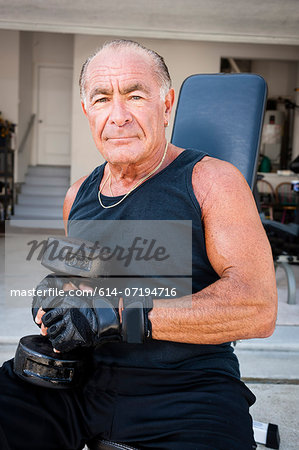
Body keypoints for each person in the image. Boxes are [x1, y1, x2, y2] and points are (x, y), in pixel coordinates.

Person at [0, 39, 277, 450]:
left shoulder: (211, 181)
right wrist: (56, 299)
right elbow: (81, 281)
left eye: (134, 95)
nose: (118, 116)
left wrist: (121, 315)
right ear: (86, 111)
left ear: (166, 105)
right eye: (102, 98)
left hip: (187, 391)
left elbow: (257, 307)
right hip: (79, 383)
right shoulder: (77, 195)